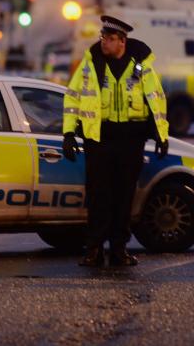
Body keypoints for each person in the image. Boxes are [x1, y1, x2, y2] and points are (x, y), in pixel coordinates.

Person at [62, 15, 169, 268]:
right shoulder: (91, 63)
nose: (103, 43)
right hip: (99, 139)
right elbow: (73, 97)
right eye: (102, 38)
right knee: (99, 196)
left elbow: (156, 98)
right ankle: (94, 249)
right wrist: (68, 133)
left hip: (131, 140)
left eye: (109, 39)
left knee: (124, 196)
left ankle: (119, 249)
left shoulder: (141, 65)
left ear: (122, 41)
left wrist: (162, 135)